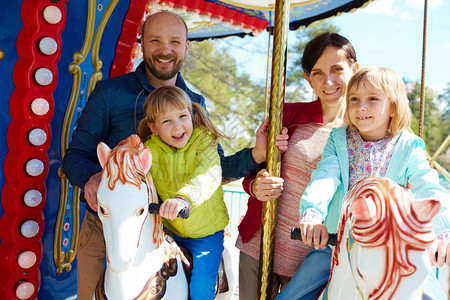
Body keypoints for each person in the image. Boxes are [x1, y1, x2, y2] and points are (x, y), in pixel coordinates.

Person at [62, 11, 287, 300]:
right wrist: (92, 178)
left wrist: (256, 153)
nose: (165, 50)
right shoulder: (110, 93)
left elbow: (213, 167)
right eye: (155, 40)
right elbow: (76, 154)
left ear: (186, 47)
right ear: (141, 43)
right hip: (111, 222)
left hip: (169, 224)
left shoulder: (195, 103)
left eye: (174, 42)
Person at [277, 66, 450, 300]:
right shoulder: (339, 139)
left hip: (393, 248)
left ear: (393, 107)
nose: (361, 107)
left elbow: (427, 186)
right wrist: (312, 214)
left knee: (430, 294)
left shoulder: (409, 146)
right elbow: (325, 177)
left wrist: (443, 232)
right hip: (338, 244)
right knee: (290, 297)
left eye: (372, 99)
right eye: (354, 99)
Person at [236, 32, 359, 299]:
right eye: (317, 73)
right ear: (308, 78)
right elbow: (252, 172)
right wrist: (257, 185)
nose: (328, 81)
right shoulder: (288, 114)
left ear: (354, 69)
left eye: (337, 69)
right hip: (261, 244)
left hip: (315, 256)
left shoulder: (361, 130)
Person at [136, 85, 230, 299]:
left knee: (200, 289)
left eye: (182, 116)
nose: (177, 126)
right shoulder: (149, 151)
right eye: (166, 121)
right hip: (170, 232)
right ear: (153, 127)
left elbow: (208, 175)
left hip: (206, 234)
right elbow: (138, 180)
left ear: (191, 115)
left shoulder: (204, 141)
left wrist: (182, 199)